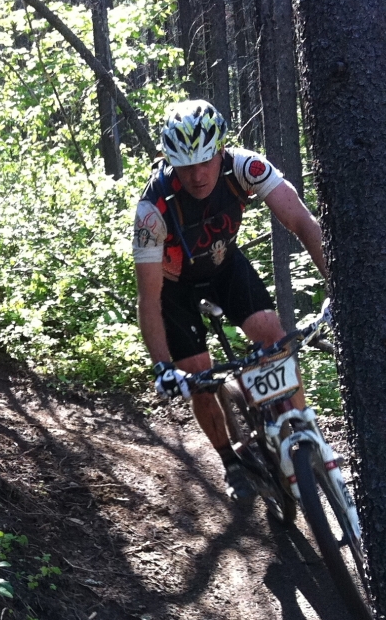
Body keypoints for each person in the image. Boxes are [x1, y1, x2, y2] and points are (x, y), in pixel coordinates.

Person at [133, 99, 327, 502]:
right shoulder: (153, 210)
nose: (198, 174)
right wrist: (162, 366)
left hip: (223, 266)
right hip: (174, 287)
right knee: (199, 378)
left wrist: (337, 286)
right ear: (169, 161)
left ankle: (302, 424)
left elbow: (302, 222)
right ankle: (230, 461)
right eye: (185, 165)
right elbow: (149, 298)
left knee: (271, 335)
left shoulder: (245, 168)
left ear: (221, 150)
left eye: (206, 161)